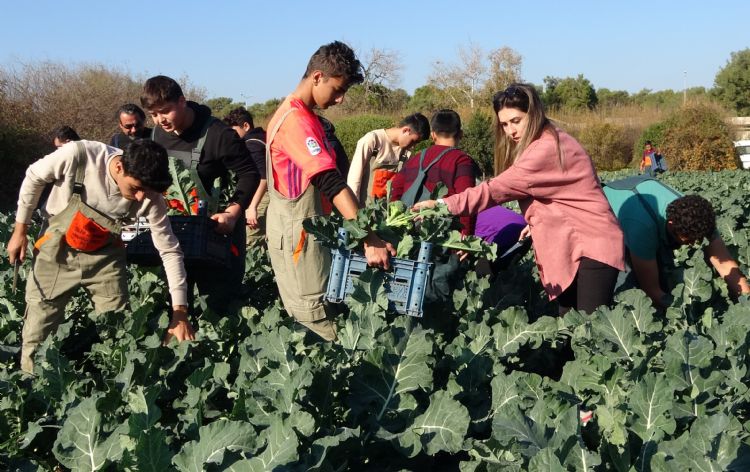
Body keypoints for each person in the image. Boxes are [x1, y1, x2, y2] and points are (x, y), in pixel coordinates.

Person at [413, 83, 625, 314]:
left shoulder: (546, 149)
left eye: (516, 121)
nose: (510, 130)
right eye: (504, 124)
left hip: (592, 244)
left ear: (533, 114)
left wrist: (442, 205)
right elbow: (565, 196)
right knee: (573, 327)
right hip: (577, 239)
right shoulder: (553, 138)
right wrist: (538, 224)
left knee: (589, 331)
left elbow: (494, 189)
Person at [7, 139, 194, 373]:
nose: (140, 198)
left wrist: (180, 311)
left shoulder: (149, 196)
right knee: (38, 329)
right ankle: (33, 390)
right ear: (118, 168)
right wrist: (20, 230)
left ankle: (116, 389)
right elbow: (34, 175)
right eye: (135, 188)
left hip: (105, 258)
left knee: (119, 330)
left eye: (146, 190)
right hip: (57, 251)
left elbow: (169, 249)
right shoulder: (79, 155)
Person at [265, 41, 394, 341]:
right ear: (317, 77)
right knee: (317, 320)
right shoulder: (295, 121)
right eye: (337, 90)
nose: (339, 99)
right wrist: (369, 238)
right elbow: (331, 182)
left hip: (307, 234)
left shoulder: (303, 116)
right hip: (298, 239)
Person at [141, 76, 260, 313]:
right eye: (153, 114)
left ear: (182, 101)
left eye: (165, 111)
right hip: (175, 229)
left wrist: (233, 213)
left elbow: (250, 174)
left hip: (216, 230)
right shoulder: (157, 135)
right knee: (176, 300)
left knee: (219, 303)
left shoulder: (218, 134)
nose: (159, 120)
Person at [603, 177, 750, 308]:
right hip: (607, 224)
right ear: (672, 224)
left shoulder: (697, 215)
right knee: (631, 290)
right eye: (690, 240)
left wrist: (746, 299)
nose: (694, 245)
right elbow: (652, 291)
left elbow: (725, 264)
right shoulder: (641, 229)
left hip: (645, 195)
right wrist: (681, 311)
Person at [391, 109, 477, 236]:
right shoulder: (462, 160)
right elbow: (467, 201)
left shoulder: (416, 158)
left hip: (407, 234)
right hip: (442, 238)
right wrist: (466, 236)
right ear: (461, 134)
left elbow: (395, 190)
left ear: (433, 135)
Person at [347, 113, 430, 203]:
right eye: (413, 141)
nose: (413, 146)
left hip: (388, 212)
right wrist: (353, 208)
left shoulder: (406, 151)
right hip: (365, 209)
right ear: (406, 130)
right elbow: (354, 178)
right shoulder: (373, 140)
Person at [222, 107, 268, 246]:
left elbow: (263, 177)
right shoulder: (263, 136)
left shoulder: (251, 144)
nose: (233, 136)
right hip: (273, 194)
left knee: (249, 241)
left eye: (234, 131)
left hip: (262, 196)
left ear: (246, 126)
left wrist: (252, 207)